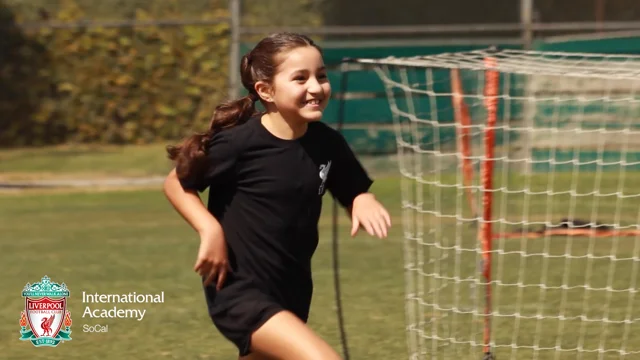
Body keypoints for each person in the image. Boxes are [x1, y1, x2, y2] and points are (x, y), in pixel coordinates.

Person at [163, 32, 391, 360]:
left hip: (292, 291)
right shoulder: (240, 143)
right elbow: (175, 182)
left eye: (321, 76)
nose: (316, 87)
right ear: (265, 90)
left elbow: (352, 187)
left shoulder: (328, 144)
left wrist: (361, 199)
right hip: (239, 291)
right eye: (300, 78)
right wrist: (210, 230)